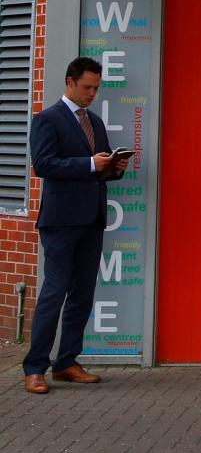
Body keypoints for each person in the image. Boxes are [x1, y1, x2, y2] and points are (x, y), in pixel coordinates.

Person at [23, 57, 129, 394]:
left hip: (92, 219)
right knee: (54, 292)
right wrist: (88, 163)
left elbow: (100, 168)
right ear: (70, 82)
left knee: (83, 293)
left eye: (96, 88)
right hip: (60, 221)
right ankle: (35, 367)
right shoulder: (47, 119)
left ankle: (66, 362)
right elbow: (43, 164)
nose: (92, 93)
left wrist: (115, 166)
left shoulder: (95, 122)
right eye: (87, 87)